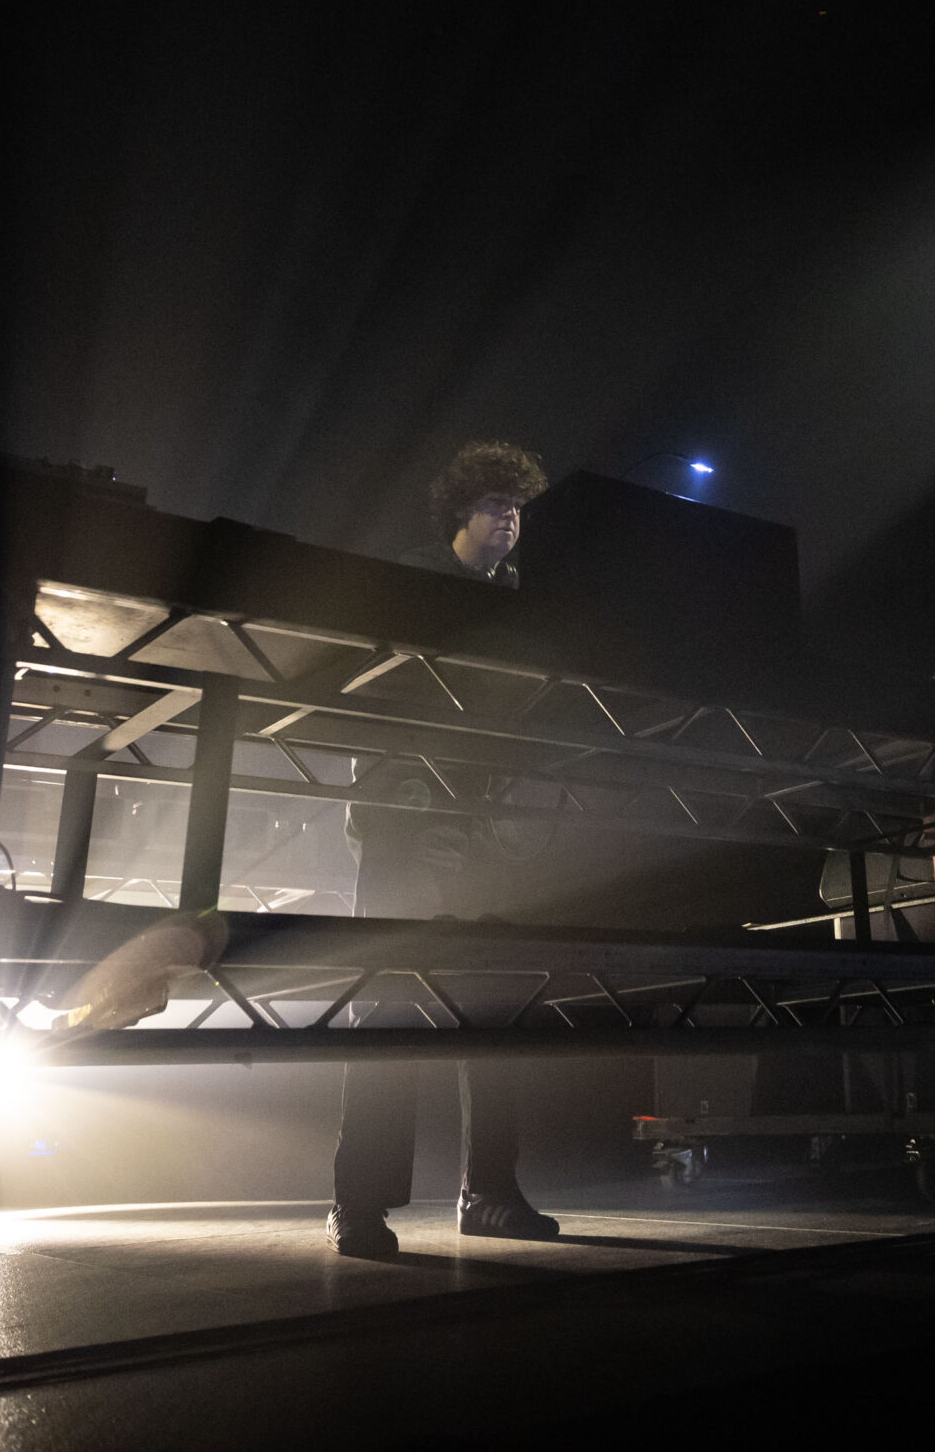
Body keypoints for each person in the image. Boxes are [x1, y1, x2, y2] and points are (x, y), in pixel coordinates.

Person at [328, 440, 558, 1258]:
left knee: (494, 1011)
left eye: (518, 509)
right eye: (497, 505)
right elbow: (370, 699)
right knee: (386, 1009)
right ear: (461, 511)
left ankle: (489, 1193)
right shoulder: (411, 583)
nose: (510, 520)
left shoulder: (521, 604)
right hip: (405, 824)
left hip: (478, 829)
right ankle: (360, 1202)